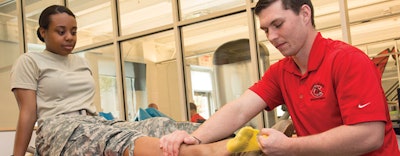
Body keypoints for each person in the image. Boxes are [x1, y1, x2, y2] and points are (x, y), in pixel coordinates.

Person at [159, 0, 400, 156]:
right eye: (265, 29)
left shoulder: (347, 60)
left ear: (305, 14)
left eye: (278, 24)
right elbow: (240, 109)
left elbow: (369, 135)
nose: (272, 37)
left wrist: (290, 146)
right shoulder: (282, 71)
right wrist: (194, 137)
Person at [10, 5, 232, 156]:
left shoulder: (81, 62)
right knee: (117, 138)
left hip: (93, 121)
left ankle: (235, 139)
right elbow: (28, 113)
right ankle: (200, 152)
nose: (69, 37)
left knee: (157, 124)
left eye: (73, 31)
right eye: (61, 31)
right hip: (58, 129)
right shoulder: (30, 61)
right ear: (43, 32)